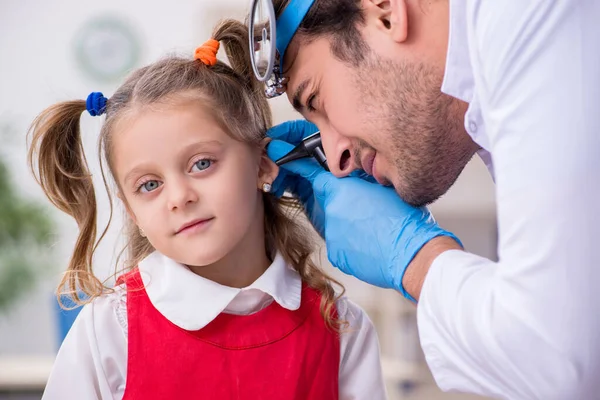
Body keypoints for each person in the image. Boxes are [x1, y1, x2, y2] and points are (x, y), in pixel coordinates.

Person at [27, 20, 386, 399]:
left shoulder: (341, 328)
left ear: (263, 162)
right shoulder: (108, 332)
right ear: (132, 211)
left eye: (201, 163)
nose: (179, 197)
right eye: (149, 185)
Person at [259, 0, 600, 398]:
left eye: (316, 99)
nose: (335, 161)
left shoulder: (526, 21)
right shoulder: (487, 86)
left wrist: (415, 258)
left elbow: (559, 358)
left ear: (386, 12)